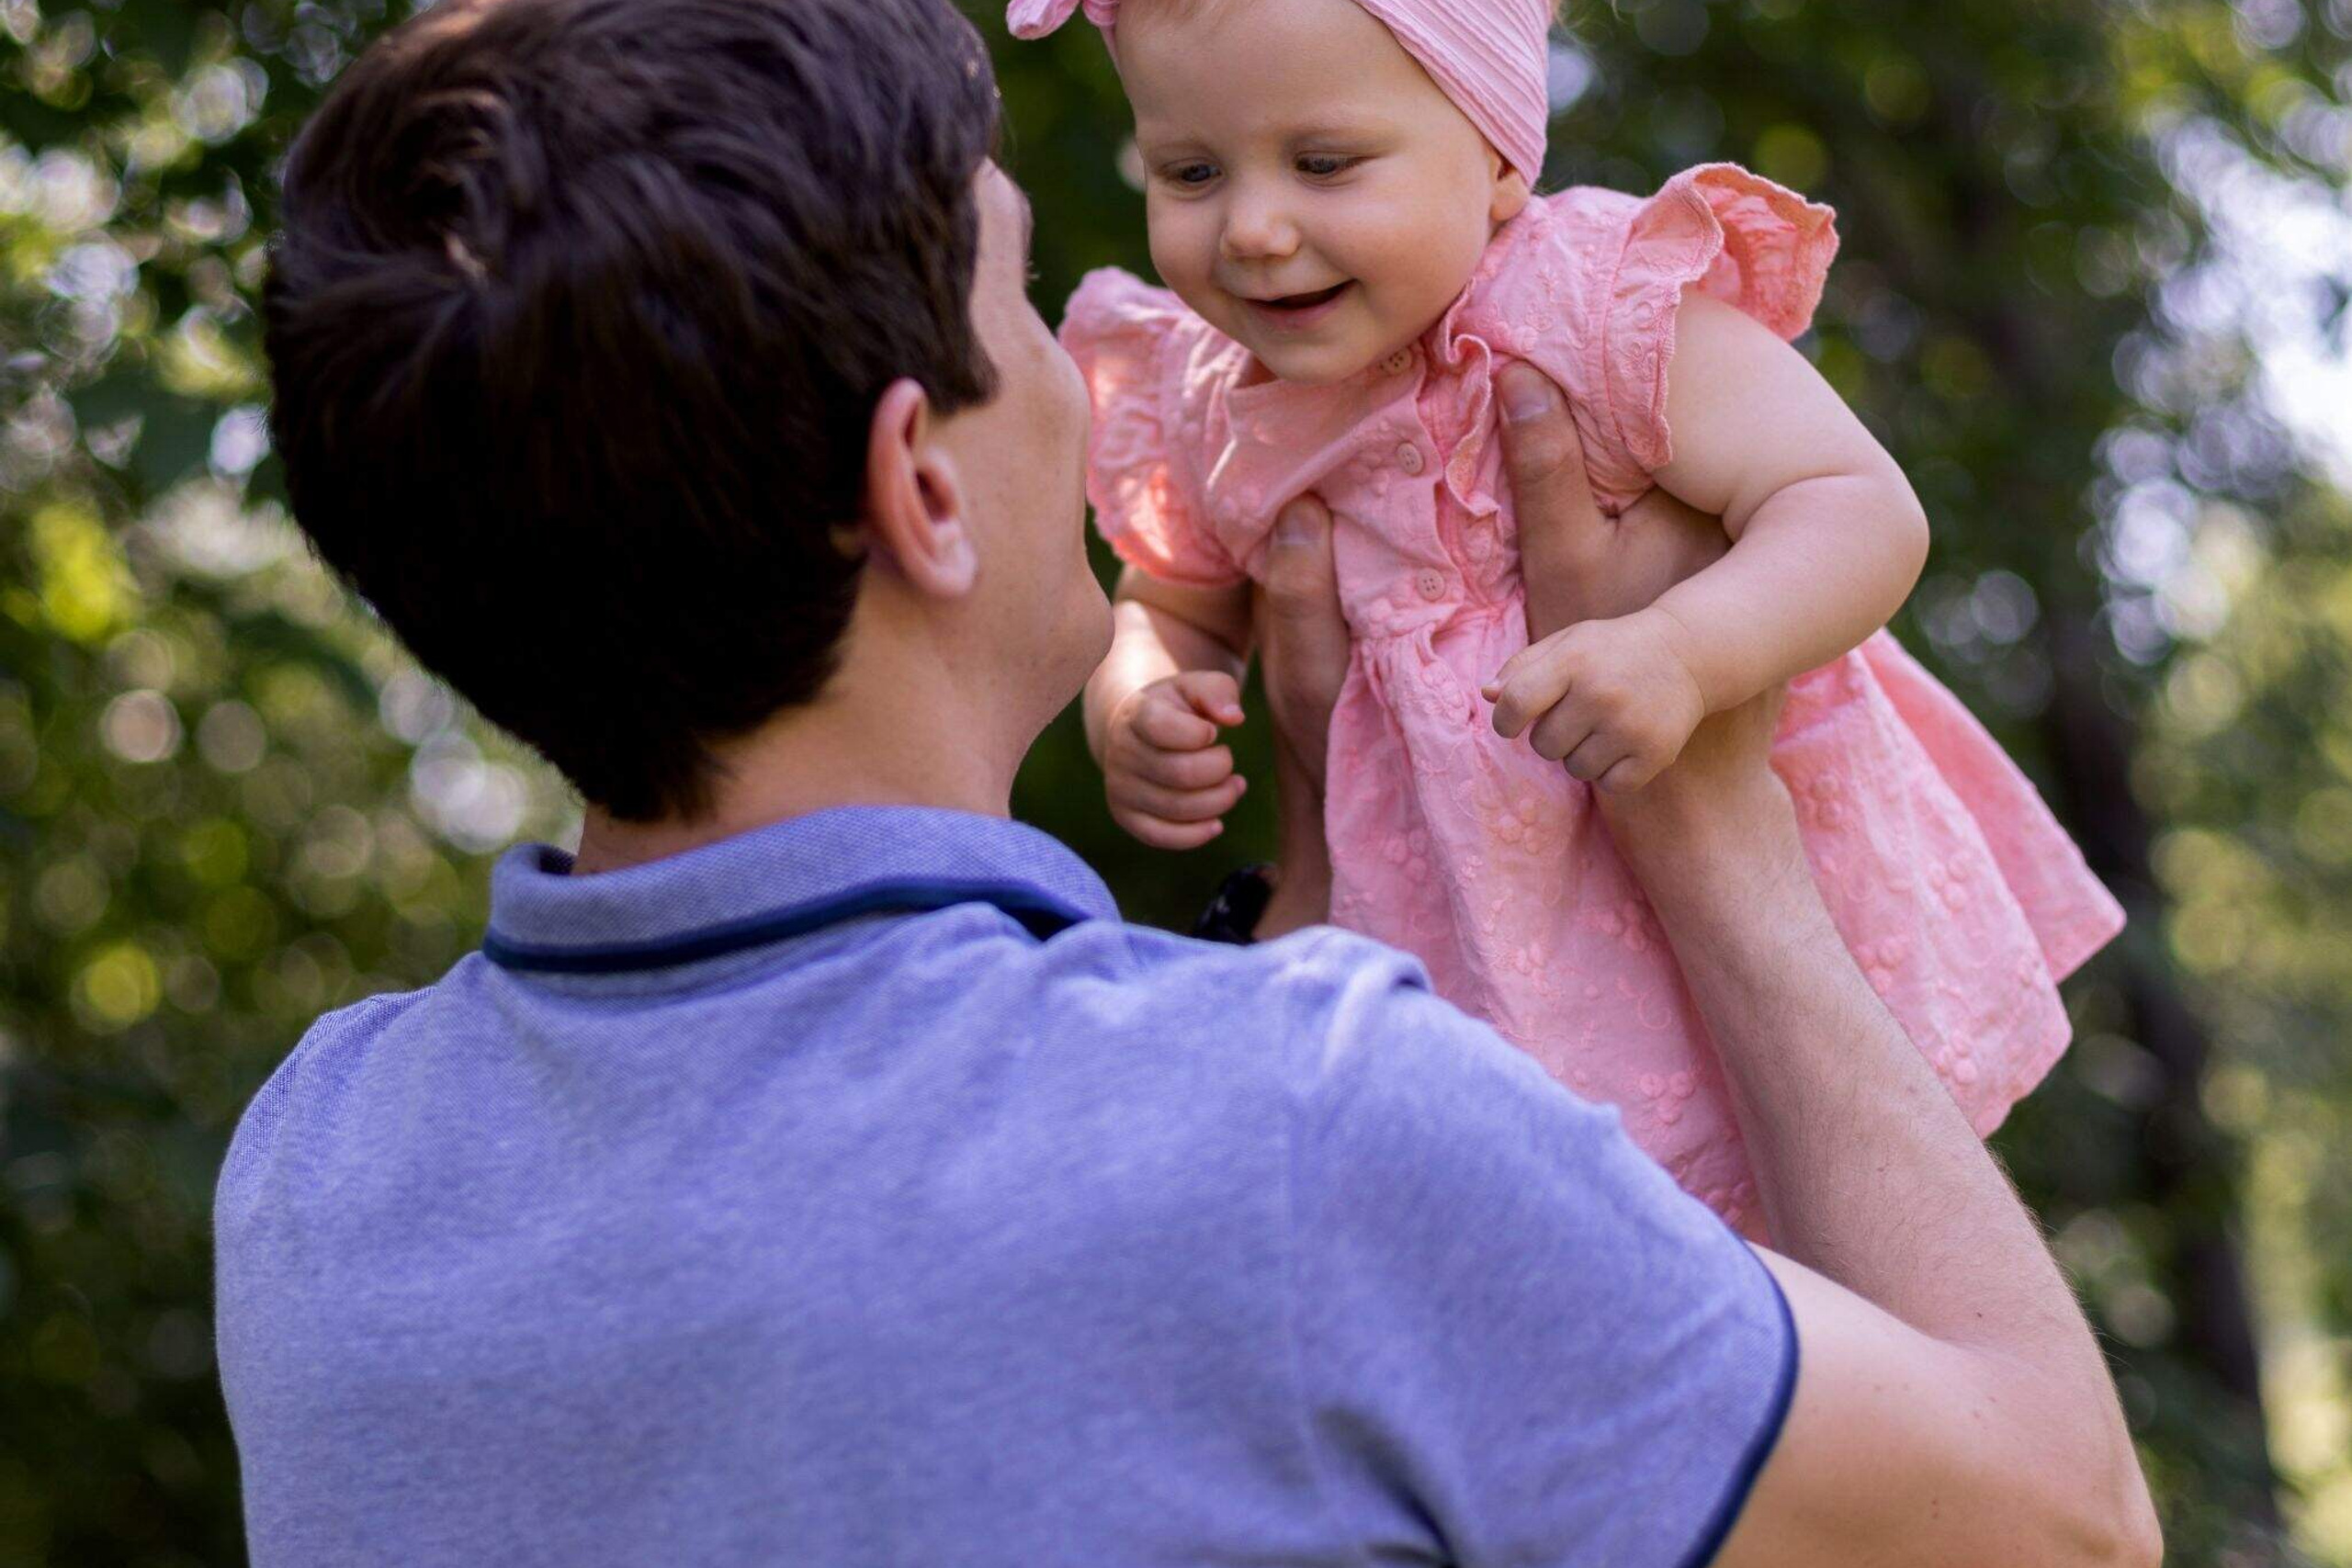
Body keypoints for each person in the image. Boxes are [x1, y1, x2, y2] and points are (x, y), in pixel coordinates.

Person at [214, 0, 2161, 1563]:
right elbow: (2052, 1527)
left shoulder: (320, 1170)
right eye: (1012, 302)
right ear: (919, 483)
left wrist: (1309, 879)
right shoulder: (1305, 1134)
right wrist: (1714, 839)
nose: (1106, 361)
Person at [1032, 0, 2124, 1231]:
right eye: (1191, 172)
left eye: (1325, 164)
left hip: (1716, 905)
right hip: (1446, 953)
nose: (1256, 228)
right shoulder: (1209, 399)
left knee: (1830, 1243)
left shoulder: (1590, 304)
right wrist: (1141, 688)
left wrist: (1685, 650)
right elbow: (1170, 596)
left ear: (1499, 156)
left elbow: (1856, 507)